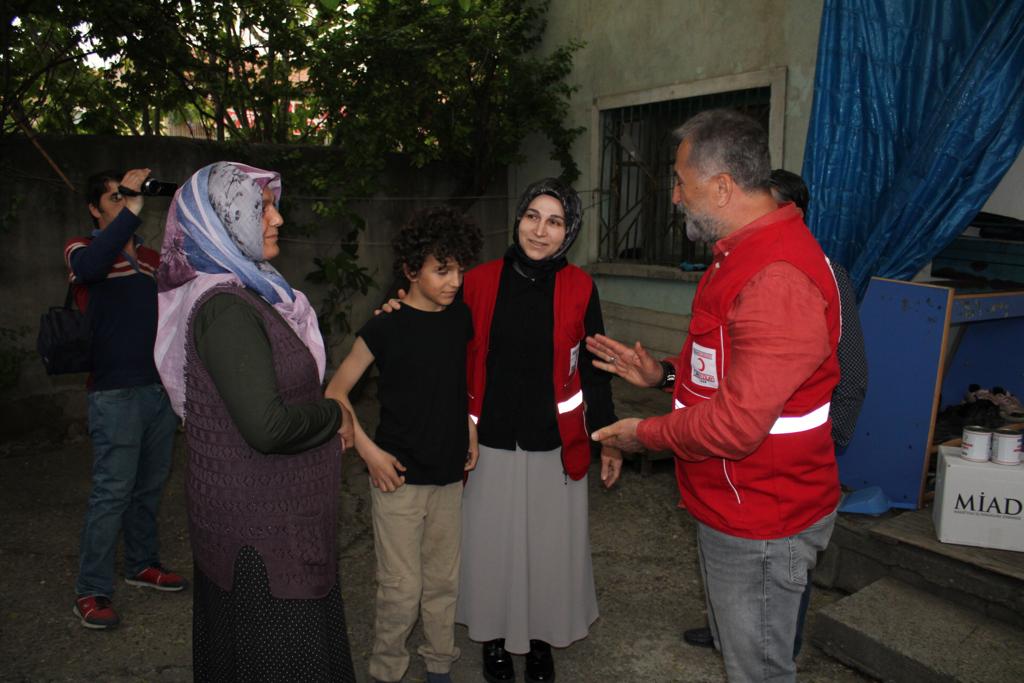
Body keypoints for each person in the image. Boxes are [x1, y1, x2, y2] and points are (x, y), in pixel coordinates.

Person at [589, 109, 841, 682]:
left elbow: (737, 425)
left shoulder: (775, 276)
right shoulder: (741, 254)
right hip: (734, 503)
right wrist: (666, 378)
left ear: (723, 186)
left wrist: (642, 435)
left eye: (681, 182)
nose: (674, 197)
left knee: (757, 672)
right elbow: (738, 374)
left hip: (762, 518)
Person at [154, 161, 355, 681]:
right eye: (261, 207)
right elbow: (266, 427)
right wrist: (333, 414)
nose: (277, 219)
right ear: (220, 221)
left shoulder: (251, 291)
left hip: (276, 526)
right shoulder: (225, 309)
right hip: (262, 541)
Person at [680, 168, 868, 655]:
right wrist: (661, 376)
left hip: (777, 492)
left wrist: (830, 442)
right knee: (750, 620)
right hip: (736, 486)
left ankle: (776, 642)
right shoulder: (732, 269)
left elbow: (851, 371)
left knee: (773, 627)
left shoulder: (805, 273)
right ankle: (736, 631)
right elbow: (728, 373)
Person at [458, 178, 622, 683]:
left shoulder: (580, 287)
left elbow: (594, 369)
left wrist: (610, 436)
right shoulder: (479, 281)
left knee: (549, 551)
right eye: (532, 215)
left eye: (554, 221)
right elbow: (446, 348)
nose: (540, 230)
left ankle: (540, 641)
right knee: (490, 550)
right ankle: (494, 640)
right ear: (518, 219)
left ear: (568, 231)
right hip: (488, 443)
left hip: (555, 442)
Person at [325, 207, 483, 683]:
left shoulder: (461, 319)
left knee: (442, 581)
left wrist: (470, 428)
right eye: (442, 270)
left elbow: (456, 383)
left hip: (449, 473)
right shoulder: (384, 327)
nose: (455, 280)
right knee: (400, 586)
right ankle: (387, 667)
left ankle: (439, 664)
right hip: (397, 477)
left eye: (459, 268)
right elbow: (335, 393)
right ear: (411, 271)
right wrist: (368, 452)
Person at [65, 168, 184, 630]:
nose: (124, 201)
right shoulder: (83, 249)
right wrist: (131, 212)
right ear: (96, 209)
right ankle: (91, 589)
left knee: (149, 487)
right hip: (114, 392)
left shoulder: (152, 258)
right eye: (114, 197)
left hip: (157, 389)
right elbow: (90, 269)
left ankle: (141, 563)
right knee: (111, 493)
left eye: (128, 195)